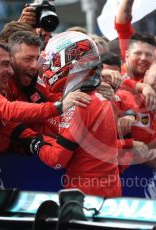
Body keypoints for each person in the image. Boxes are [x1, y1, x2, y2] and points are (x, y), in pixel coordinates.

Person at [27, 31, 121, 198]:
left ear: (67, 63)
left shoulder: (80, 103)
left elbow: (57, 160)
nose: (46, 68)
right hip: (107, 193)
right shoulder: (96, 97)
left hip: (85, 199)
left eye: (50, 62)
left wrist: (33, 139)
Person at [0, 40, 90, 153]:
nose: (11, 71)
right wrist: (58, 107)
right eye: (5, 64)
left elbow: (12, 126)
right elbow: (8, 110)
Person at [116, 58, 156, 178]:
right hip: (109, 174)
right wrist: (130, 146)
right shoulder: (122, 95)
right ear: (146, 73)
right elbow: (99, 142)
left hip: (137, 181)